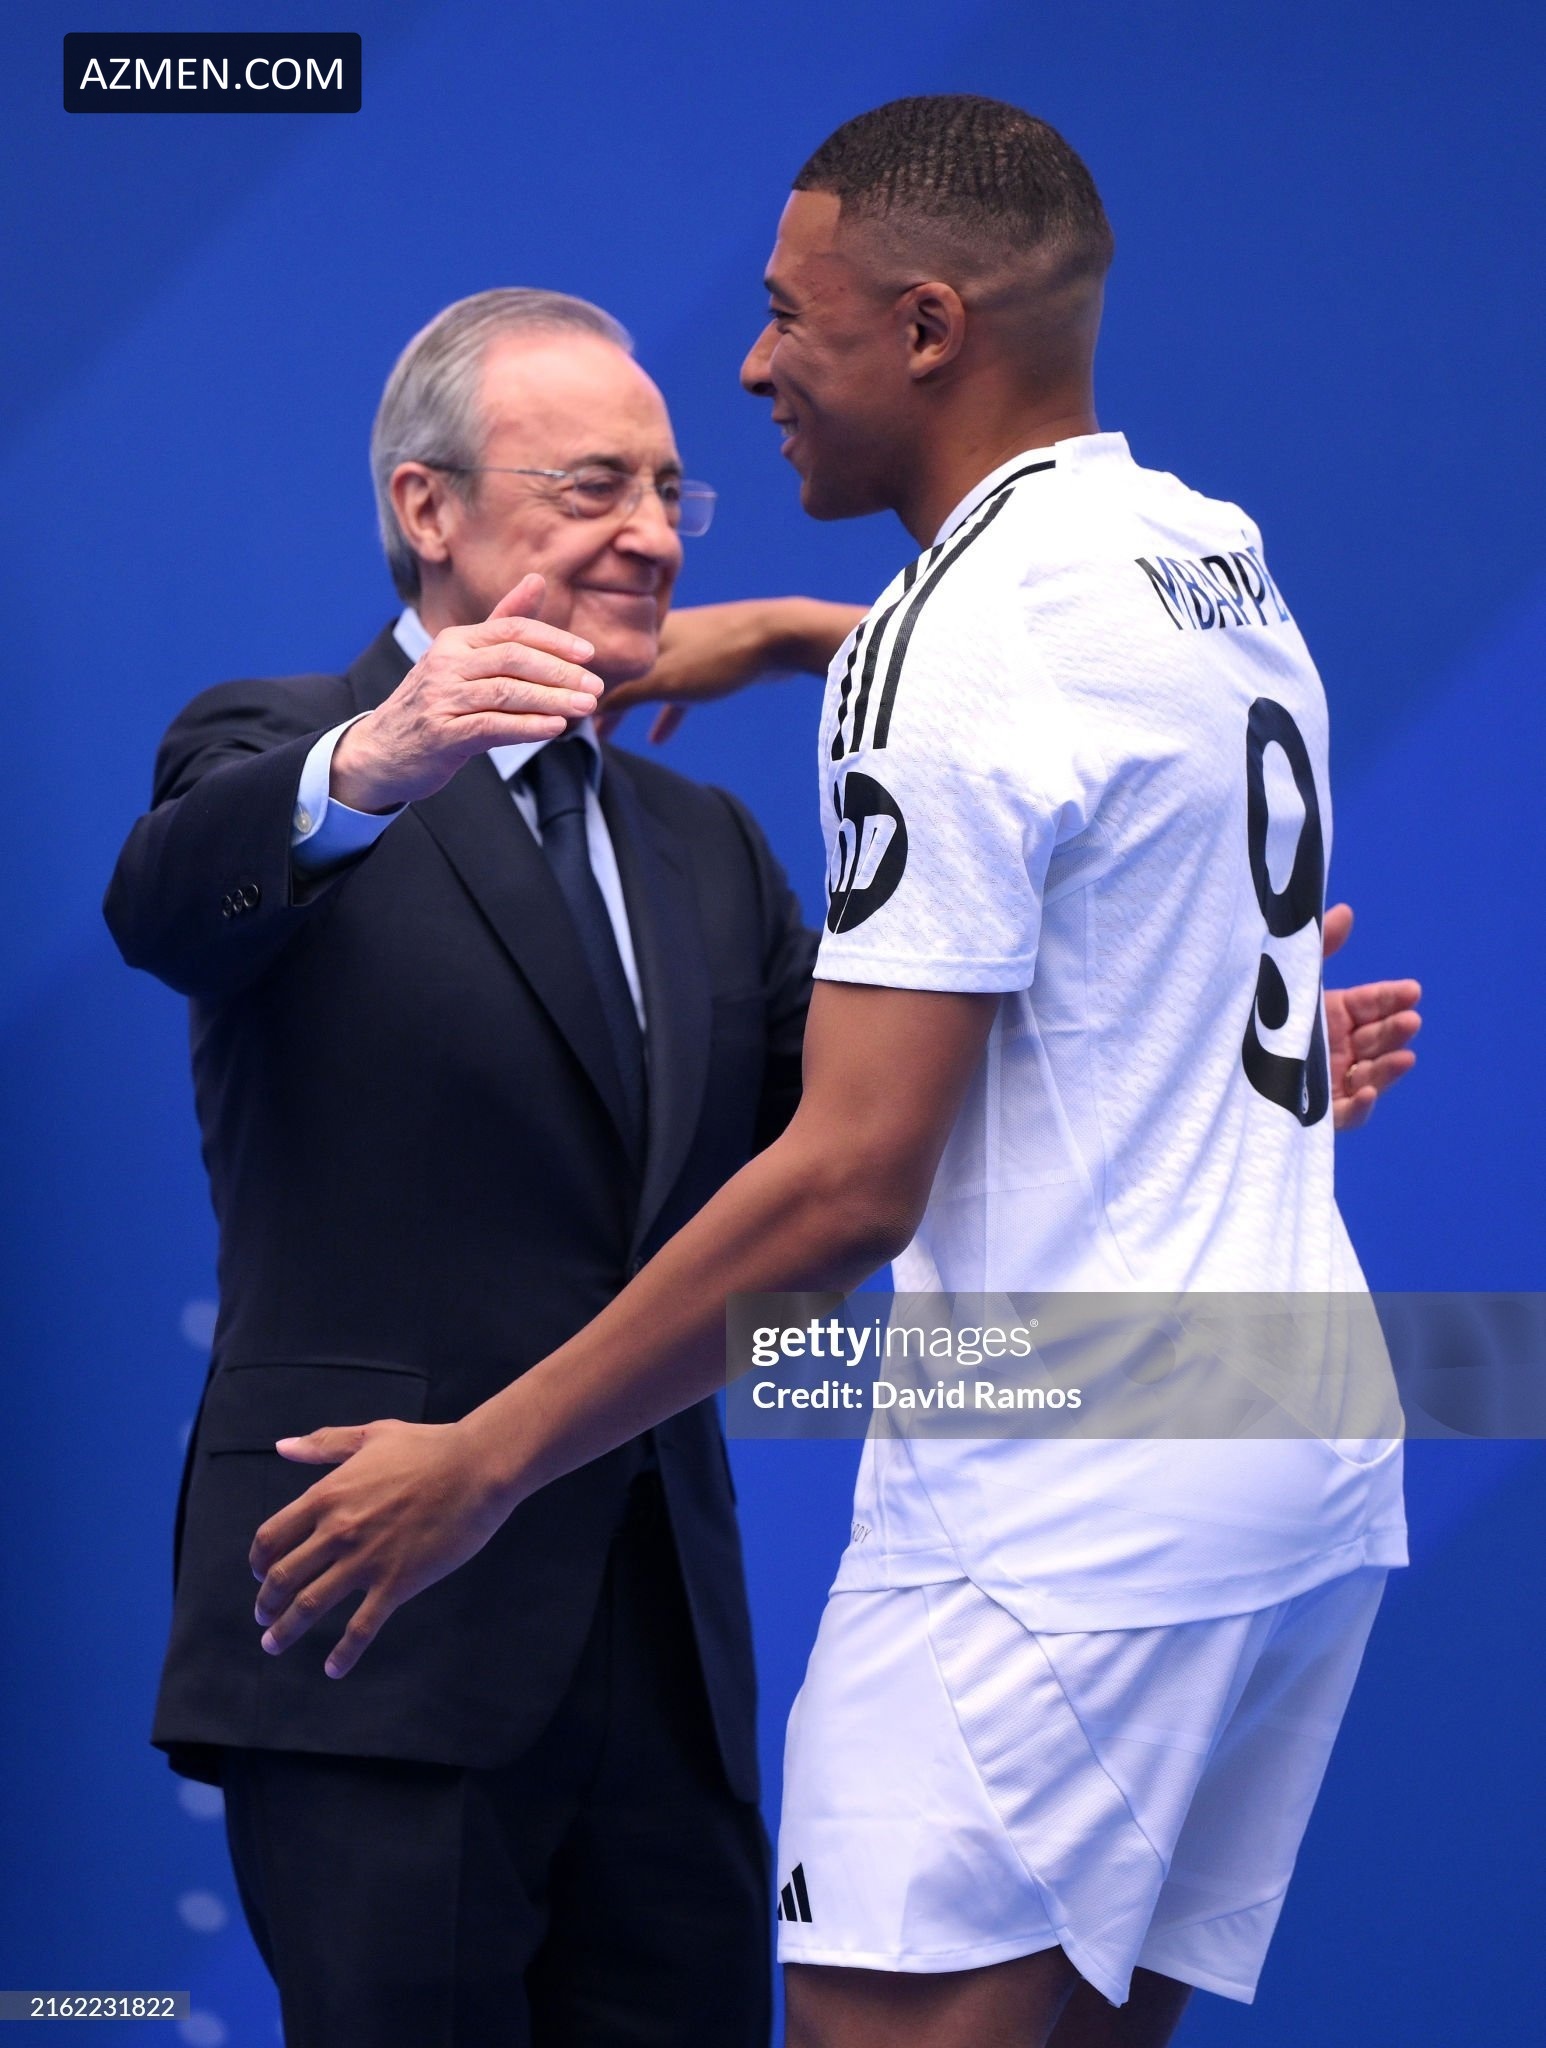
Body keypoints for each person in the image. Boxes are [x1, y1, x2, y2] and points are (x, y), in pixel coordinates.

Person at [249, 98, 1426, 2047]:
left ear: (927, 327)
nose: (751, 363)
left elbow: (851, 1182)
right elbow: (1068, 748)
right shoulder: (1199, 552)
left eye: (790, 314)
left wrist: (481, 1459)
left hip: (1063, 1493)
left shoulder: (950, 644)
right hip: (1295, 1441)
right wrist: (804, 632)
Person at [103, 287, 843, 2048]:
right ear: (425, 507)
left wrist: (1221, 1071)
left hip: (665, 1660)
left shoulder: (702, 842)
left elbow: (856, 1130)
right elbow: (168, 906)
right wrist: (382, 757)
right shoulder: (282, 743)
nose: (652, 534)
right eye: (593, 487)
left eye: (669, 491)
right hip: (377, 1622)